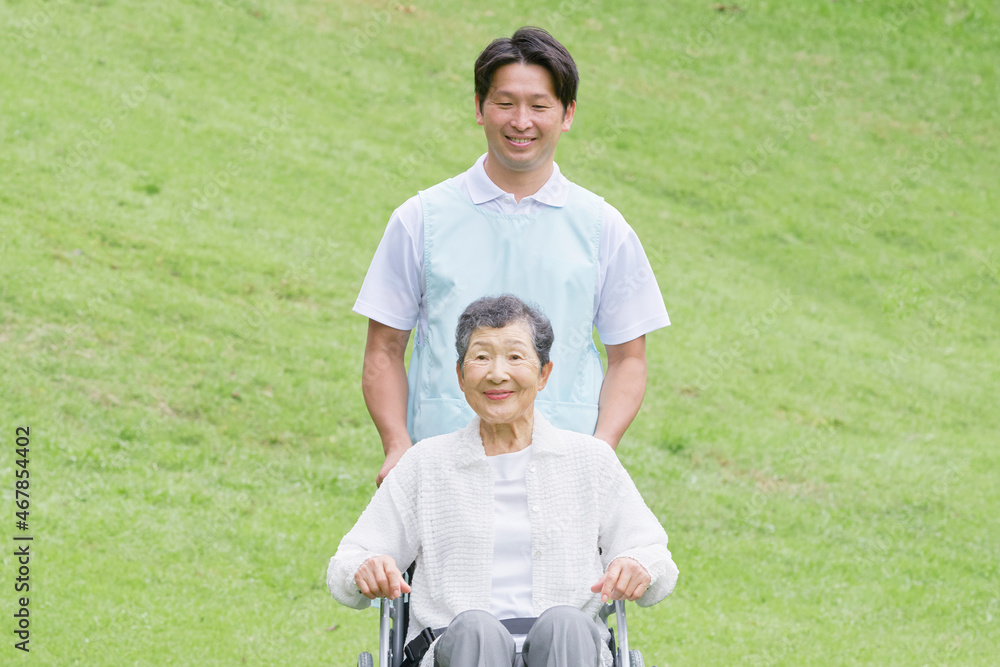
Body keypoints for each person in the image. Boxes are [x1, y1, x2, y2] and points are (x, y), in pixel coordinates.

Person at [354, 26, 671, 486]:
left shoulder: (604, 228)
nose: (521, 121)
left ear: (567, 114)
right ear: (480, 108)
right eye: (505, 103)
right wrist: (397, 443)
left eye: (539, 106)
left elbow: (629, 358)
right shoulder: (420, 219)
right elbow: (383, 349)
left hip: (564, 474)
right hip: (442, 469)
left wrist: (601, 449)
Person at [329, 295, 678, 667]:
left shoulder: (590, 461)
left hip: (571, 649)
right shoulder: (426, 464)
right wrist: (365, 568)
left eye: (515, 357)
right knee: (477, 633)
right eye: (481, 357)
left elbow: (653, 554)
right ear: (461, 377)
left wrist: (636, 564)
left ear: (544, 374)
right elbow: (349, 561)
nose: (497, 373)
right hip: (456, 650)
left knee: (565, 624)